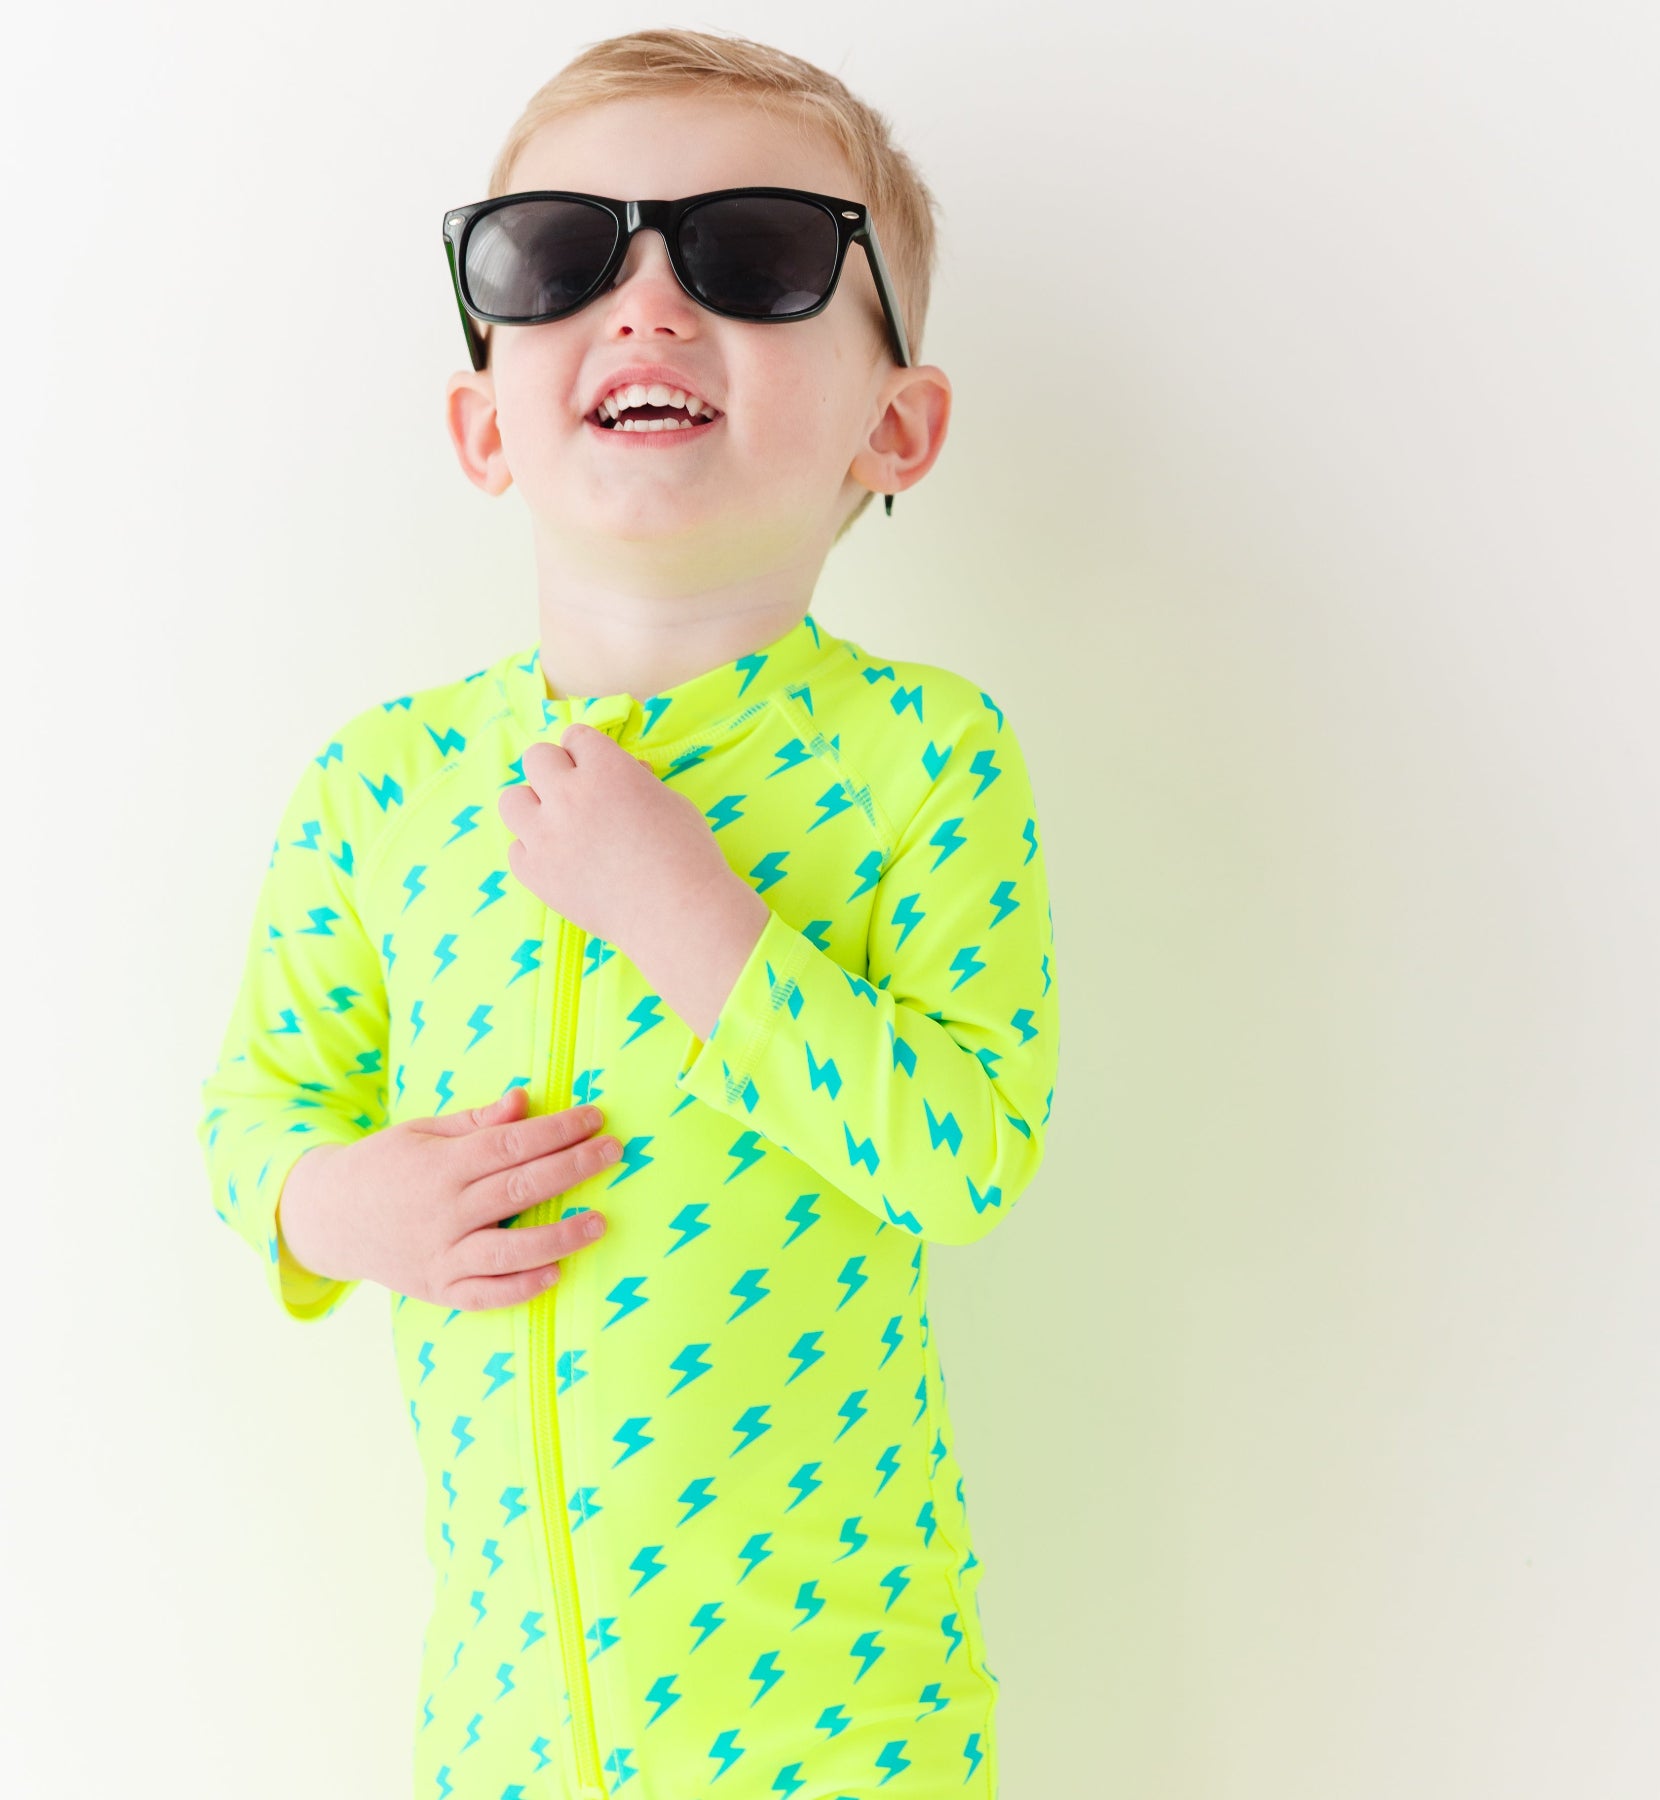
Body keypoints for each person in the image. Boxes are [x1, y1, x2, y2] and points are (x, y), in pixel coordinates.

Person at [195, 27, 1059, 1800]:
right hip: (506, 1730)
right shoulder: (385, 787)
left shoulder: (922, 758)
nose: (650, 301)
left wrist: (694, 917)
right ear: (481, 421)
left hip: (847, 1721)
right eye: (559, 253)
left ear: (896, 427)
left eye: (753, 256)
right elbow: (252, 1115)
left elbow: (968, 1155)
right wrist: (339, 1205)